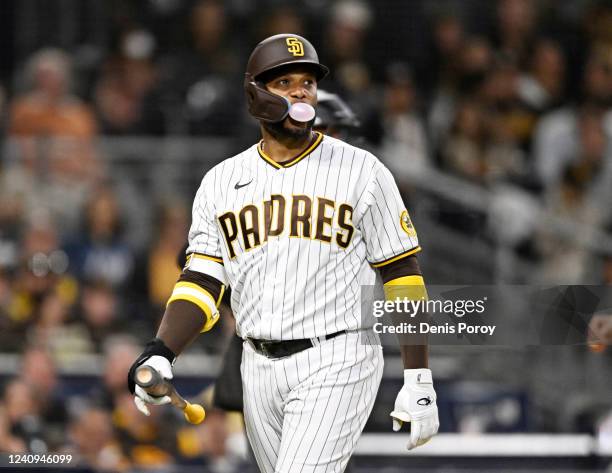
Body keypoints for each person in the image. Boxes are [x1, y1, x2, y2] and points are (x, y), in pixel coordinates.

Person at [128, 33, 439, 472]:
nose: (300, 91)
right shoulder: (221, 182)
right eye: (284, 81)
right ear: (255, 92)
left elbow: (403, 274)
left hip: (337, 356)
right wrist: (162, 349)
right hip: (257, 365)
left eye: (308, 82)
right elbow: (201, 282)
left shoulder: (362, 170)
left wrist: (418, 375)